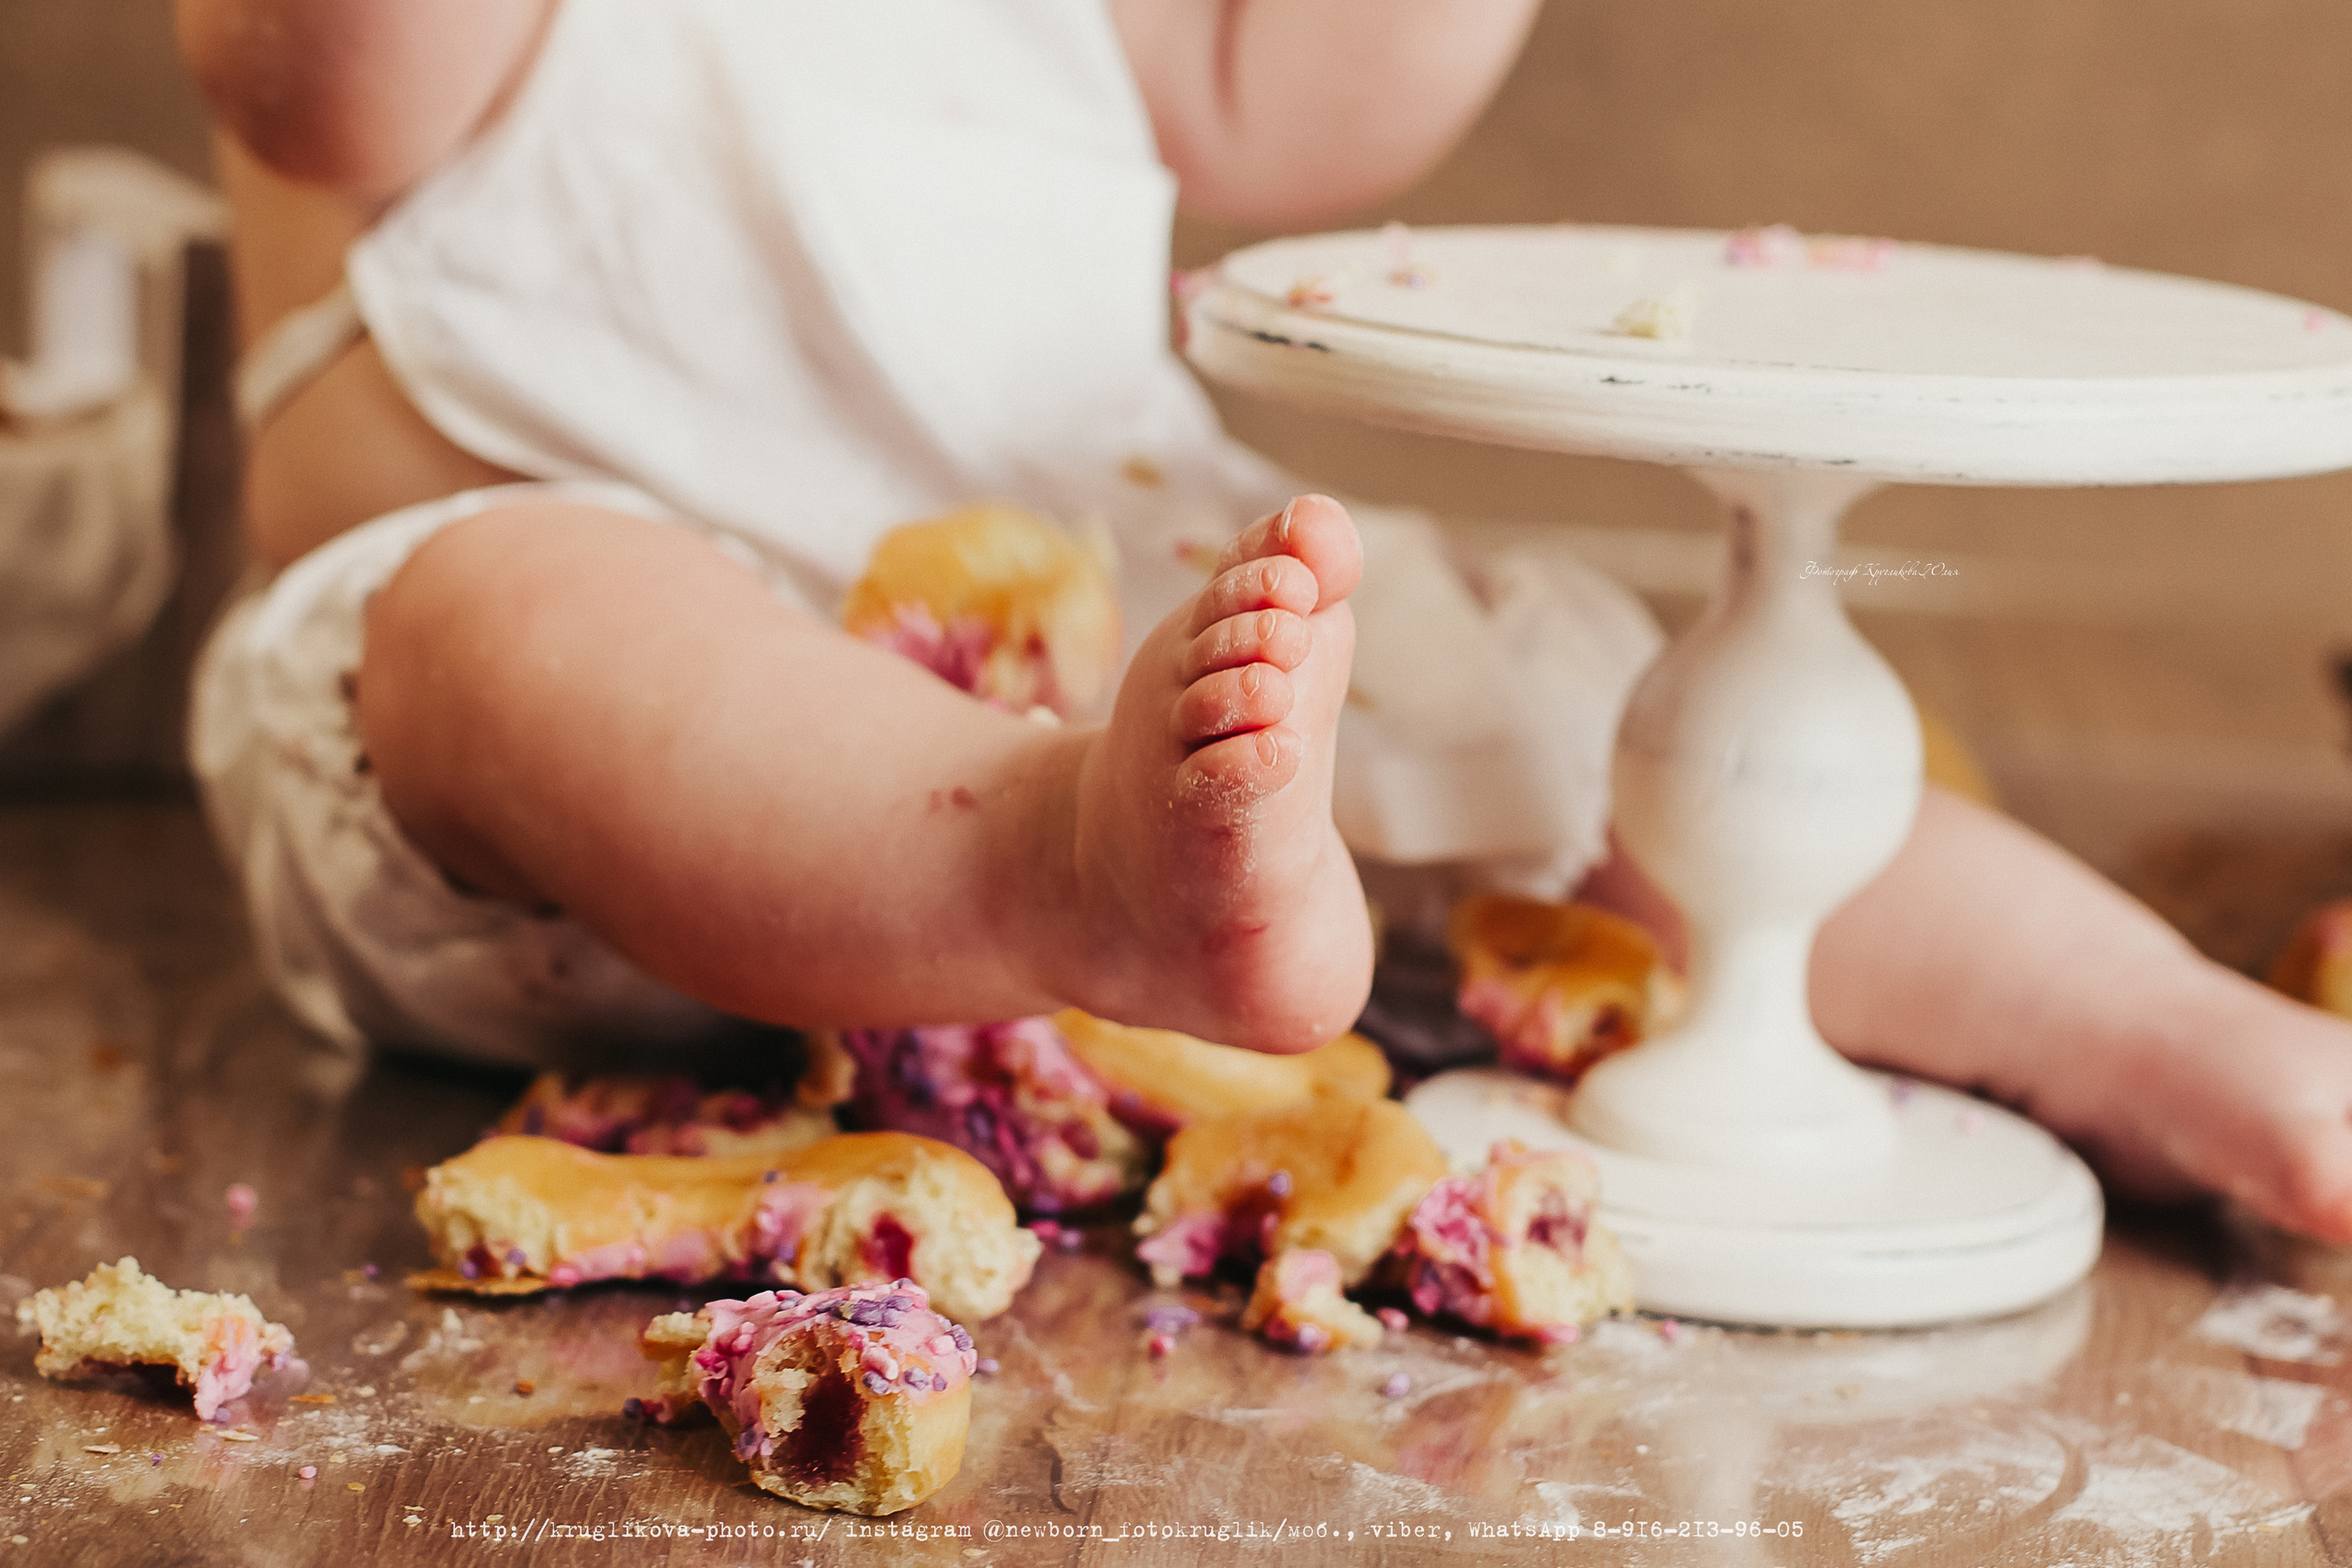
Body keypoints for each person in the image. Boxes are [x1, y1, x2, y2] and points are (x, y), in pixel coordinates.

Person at [175, 0, 2352, 1247]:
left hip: (1092, 591)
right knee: (514, 616)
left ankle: (2168, 1037)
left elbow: (1298, 96)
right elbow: (323, 80)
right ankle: (1057, 870)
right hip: (600, 712)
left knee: (1590, 683)